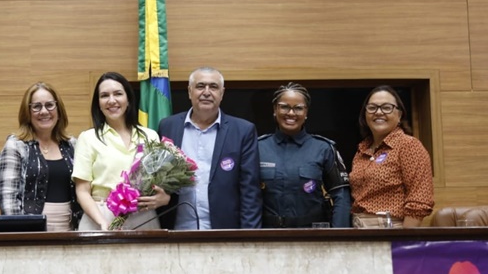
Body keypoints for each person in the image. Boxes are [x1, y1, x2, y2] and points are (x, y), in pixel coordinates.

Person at [158, 67, 261, 229]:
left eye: (213, 87)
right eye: (200, 86)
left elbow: (250, 191)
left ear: (222, 93)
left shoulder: (242, 131)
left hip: (223, 231)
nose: (206, 92)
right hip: (176, 229)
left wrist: (249, 237)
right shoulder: (168, 126)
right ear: (190, 91)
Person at [72, 72, 169, 230]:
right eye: (104, 96)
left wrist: (163, 197)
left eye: (118, 94)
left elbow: (161, 182)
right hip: (101, 215)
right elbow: (82, 191)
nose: (111, 100)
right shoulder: (87, 138)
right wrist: (102, 222)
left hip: (143, 216)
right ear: (98, 103)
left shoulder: (150, 135)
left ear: (128, 99)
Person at [257, 83, 351, 228]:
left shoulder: (323, 148)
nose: (291, 113)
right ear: (275, 109)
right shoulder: (258, 147)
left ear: (306, 113)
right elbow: (245, 196)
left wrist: (338, 237)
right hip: (268, 235)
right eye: (284, 106)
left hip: (312, 236)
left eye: (298, 108)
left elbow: (341, 196)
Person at [0, 83, 81, 231]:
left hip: (70, 230)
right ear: (27, 113)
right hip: (30, 232)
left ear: (59, 110)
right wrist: (20, 235)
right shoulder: (15, 146)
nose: (44, 111)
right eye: (36, 106)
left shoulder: (73, 145)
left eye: (50, 105)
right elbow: (8, 200)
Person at [350, 85, 434, 227]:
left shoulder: (408, 146)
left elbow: (420, 199)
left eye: (387, 107)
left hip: (390, 230)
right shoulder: (362, 150)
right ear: (365, 114)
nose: (378, 112)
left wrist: (404, 242)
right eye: (372, 107)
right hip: (358, 229)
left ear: (399, 115)